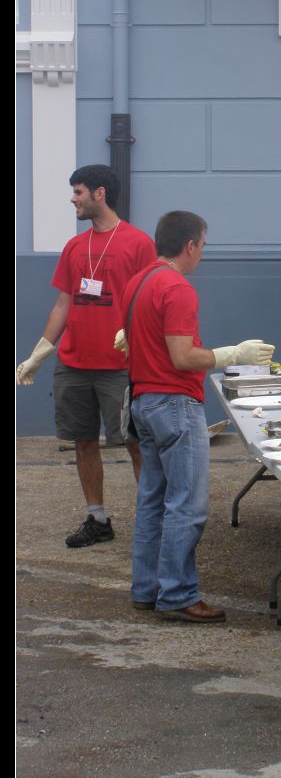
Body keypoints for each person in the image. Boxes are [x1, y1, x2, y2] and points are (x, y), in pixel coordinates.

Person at [122, 211, 274, 622]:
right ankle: (177, 594)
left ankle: (147, 588)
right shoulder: (177, 286)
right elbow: (183, 356)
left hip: (144, 401)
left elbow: (134, 341)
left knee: (153, 501)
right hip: (173, 403)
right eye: (203, 246)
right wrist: (232, 355)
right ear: (190, 245)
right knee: (187, 506)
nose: (202, 254)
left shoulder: (138, 282)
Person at [16, 165, 156, 547]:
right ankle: (98, 519)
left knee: (134, 441)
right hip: (74, 365)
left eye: (78, 192)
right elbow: (63, 303)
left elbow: (152, 295)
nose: (73, 199)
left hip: (120, 367)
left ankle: (151, 518)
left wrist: (137, 329)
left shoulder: (138, 243)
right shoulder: (75, 247)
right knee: (82, 441)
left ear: (100, 194)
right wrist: (40, 353)